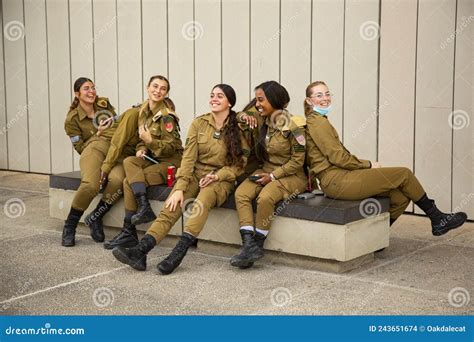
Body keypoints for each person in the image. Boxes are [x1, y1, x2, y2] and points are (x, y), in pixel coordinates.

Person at [112, 84, 249, 274]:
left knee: (202, 201)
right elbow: (188, 159)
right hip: (195, 174)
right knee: (171, 205)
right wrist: (179, 188)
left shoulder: (239, 127)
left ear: (230, 103)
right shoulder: (199, 123)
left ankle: (178, 253)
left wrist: (216, 176)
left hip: (221, 179)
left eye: (220, 96)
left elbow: (239, 165)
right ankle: (140, 251)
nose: (214, 99)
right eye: (212, 95)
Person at [304, 81, 467, 235]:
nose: (325, 98)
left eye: (327, 93)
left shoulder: (319, 121)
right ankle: (437, 218)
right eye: (319, 95)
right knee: (404, 174)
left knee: (401, 197)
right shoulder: (318, 123)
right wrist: (368, 165)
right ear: (309, 101)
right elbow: (338, 158)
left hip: (339, 177)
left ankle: (375, 236)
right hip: (336, 181)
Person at [230, 81, 307, 269]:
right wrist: (243, 116)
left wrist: (272, 177)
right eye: (256, 100)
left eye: (261, 100)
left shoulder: (294, 125)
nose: (257, 104)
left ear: (274, 100)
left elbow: (298, 161)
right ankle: (248, 244)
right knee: (241, 194)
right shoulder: (262, 117)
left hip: (292, 175)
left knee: (265, 198)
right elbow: (240, 116)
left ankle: (258, 244)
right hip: (266, 169)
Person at [102, 76, 183, 250]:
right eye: (155, 86)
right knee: (131, 160)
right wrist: (142, 147)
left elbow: (171, 148)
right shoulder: (144, 112)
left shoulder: (167, 117)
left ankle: (128, 231)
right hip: (152, 158)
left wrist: (150, 142)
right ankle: (143, 207)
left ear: (166, 93)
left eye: (163, 88)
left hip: (170, 162)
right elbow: (142, 138)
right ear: (147, 88)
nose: (158, 91)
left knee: (127, 182)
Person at [62, 77, 126, 246]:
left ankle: (96, 217)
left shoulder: (103, 104)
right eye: (86, 89)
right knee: (91, 184)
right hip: (93, 151)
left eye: (93, 87)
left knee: (119, 181)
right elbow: (81, 148)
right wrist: (98, 134)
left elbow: (117, 126)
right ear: (77, 94)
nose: (91, 92)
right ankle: (70, 225)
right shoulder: (72, 119)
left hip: (114, 150)